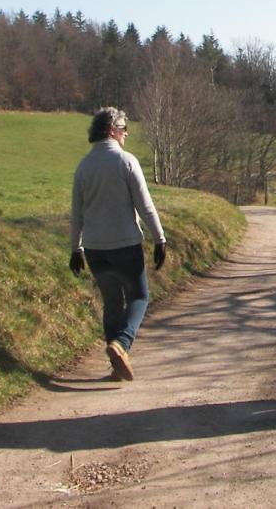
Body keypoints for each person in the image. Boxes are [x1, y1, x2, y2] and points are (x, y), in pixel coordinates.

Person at [69, 106, 167, 382]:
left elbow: (77, 213)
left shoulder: (83, 167)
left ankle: (116, 365)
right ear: (112, 129)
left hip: (95, 250)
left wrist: (75, 249)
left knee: (112, 303)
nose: (126, 134)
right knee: (139, 297)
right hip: (126, 246)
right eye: (124, 129)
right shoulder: (126, 162)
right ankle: (121, 344)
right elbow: (145, 206)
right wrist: (160, 238)